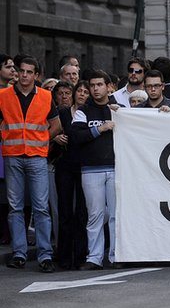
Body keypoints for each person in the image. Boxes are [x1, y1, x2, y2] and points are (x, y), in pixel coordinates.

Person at [0, 56, 60, 272]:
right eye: (21, 71)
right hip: (13, 155)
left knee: (41, 208)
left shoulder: (45, 96)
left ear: (36, 75)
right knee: (15, 207)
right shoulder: (3, 95)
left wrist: (43, 140)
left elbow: (56, 125)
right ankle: (19, 253)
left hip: (36, 156)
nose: (24, 75)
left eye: (29, 72)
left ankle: (45, 255)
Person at [71, 71, 118, 270]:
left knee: (117, 215)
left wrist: (121, 114)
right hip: (90, 170)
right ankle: (95, 257)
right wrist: (100, 129)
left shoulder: (119, 109)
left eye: (100, 84)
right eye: (93, 85)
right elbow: (75, 136)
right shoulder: (83, 110)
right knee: (95, 215)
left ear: (108, 86)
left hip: (117, 169)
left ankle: (117, 256)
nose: (96, 88)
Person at [52, 80, 89, 269]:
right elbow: (50, 130)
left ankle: (81, 256)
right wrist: (55, 137)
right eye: (79, 91)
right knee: (65, 211)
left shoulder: (90, 113)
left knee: (82, 212)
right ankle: (64, 256)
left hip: (85, 166)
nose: (82, 94)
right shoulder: (63, 112)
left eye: (85, 91)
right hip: (65, 165)